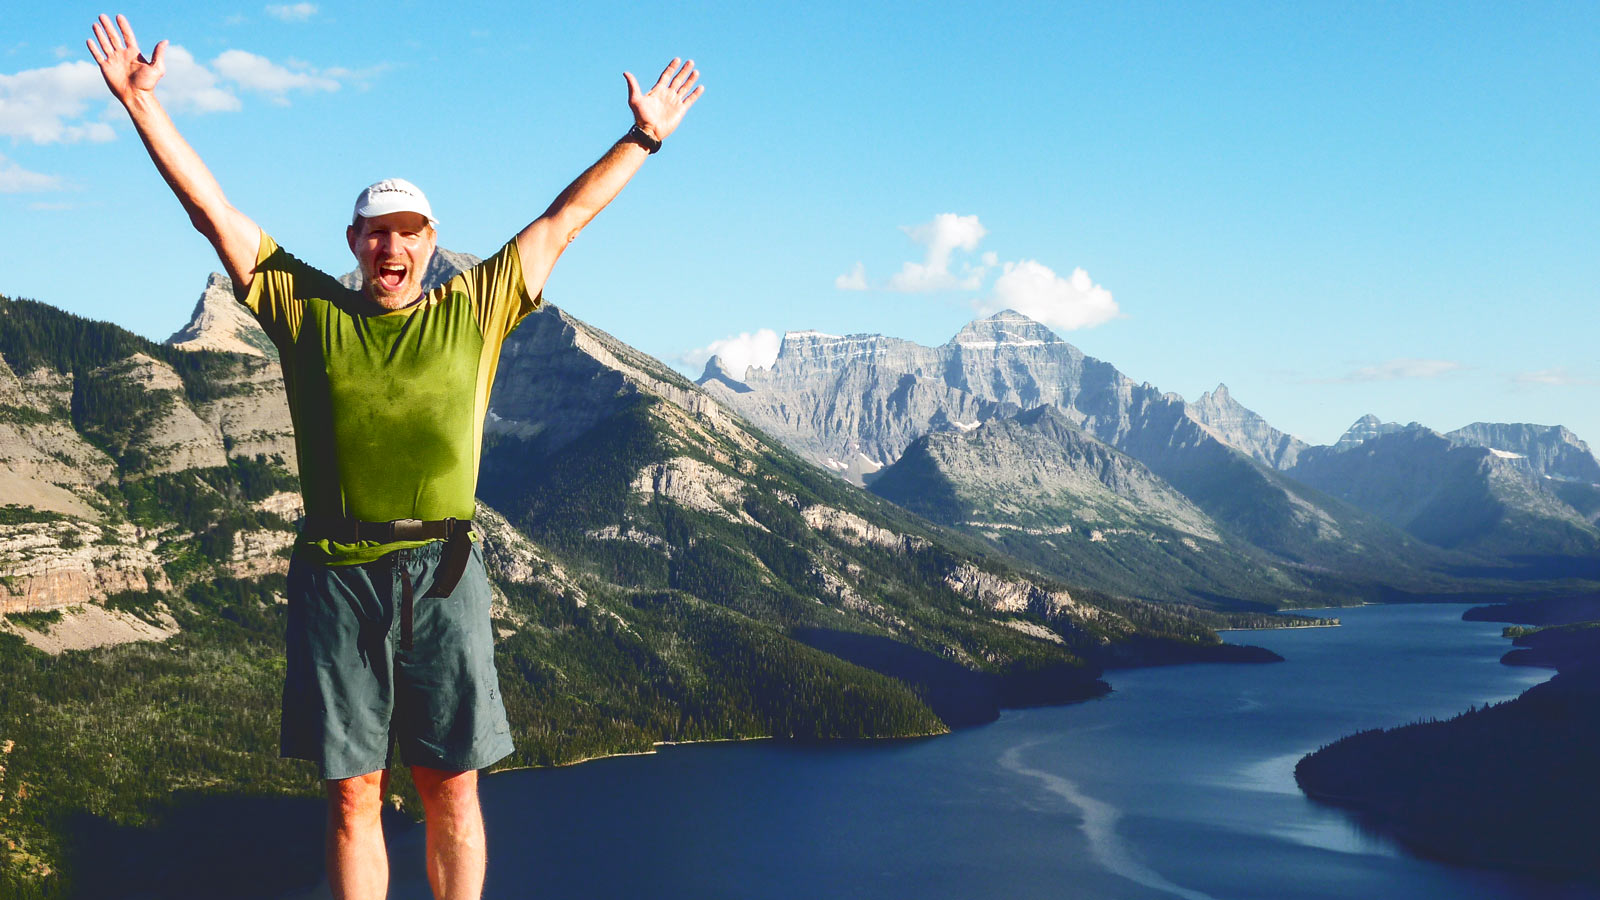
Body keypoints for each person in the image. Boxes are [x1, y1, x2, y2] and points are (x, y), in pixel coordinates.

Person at [87, 13, 701, 900]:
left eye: (410, 231)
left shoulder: (476, 308)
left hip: (444, 570)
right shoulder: (307, 312)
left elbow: (565, 220)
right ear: (353, 242)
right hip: (337, 570)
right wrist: (143, 108)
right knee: (352, 795)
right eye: (377, 231)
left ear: (429, 242)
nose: (394, 246)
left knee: (451, 788)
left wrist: (643, 136)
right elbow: (211, 215)